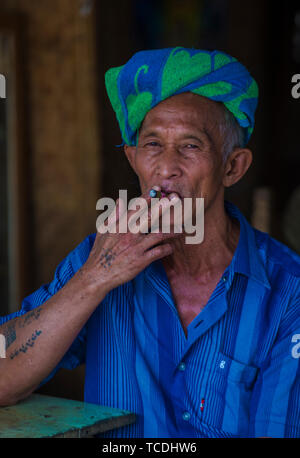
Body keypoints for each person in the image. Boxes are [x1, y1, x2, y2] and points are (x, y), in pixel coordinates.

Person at [0, 47, 299, 438]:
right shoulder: (98, 258)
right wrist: (94, 279)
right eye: (152, 144)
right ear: (132, 158)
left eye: (191, 145)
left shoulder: (288, 292)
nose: (166, 167)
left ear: (232, 167)